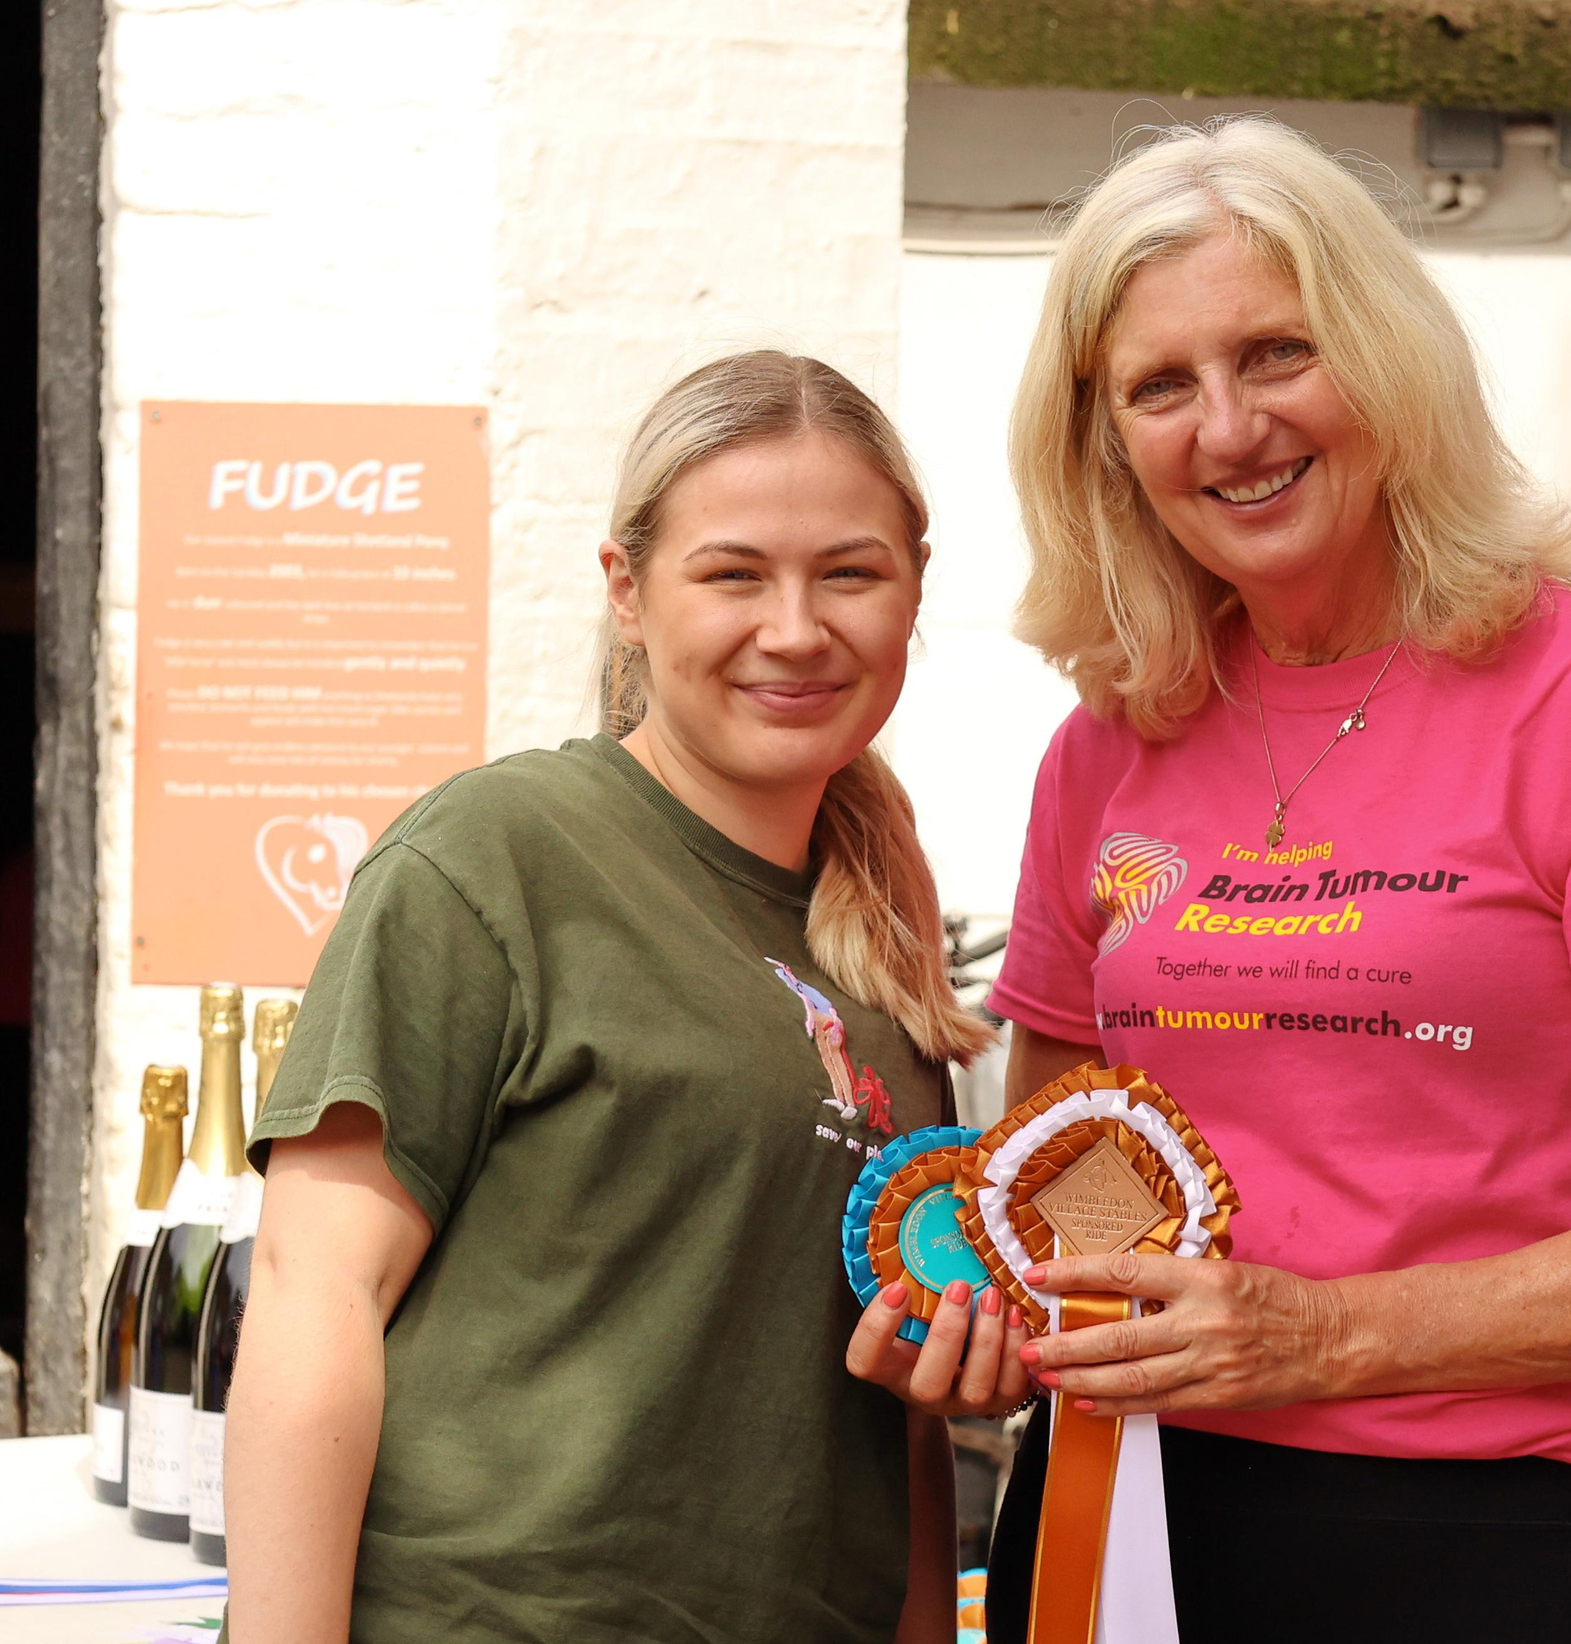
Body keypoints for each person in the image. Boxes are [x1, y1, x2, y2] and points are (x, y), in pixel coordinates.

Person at [955, 117, 1571, 1644]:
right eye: (1162, 386)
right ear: (1106, 441)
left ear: (1387, 362)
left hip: (1485, 1514)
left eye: (1277, 354)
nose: (1227, 429)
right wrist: (973, 1299)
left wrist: (1324, 1332)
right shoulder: (1111, 736)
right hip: (1122, 1502)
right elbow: (1063, 1169)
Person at [227, 352, 1028, 1644]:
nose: (795, 626)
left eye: (849, 571)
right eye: (732, 572)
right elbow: (314, 1290)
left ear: (914, 590)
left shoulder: (882, 942)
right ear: (628, 591)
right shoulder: (495, 853)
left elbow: (899, 1431)